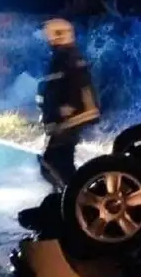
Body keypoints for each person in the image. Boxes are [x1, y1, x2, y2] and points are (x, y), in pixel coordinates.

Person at [37, 18, 101, 188]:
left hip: (70, 120)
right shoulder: (63, 57)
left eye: (50, 35)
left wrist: (62, 113)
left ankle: (74, 199)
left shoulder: (66, 58)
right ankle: (71, 198)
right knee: (59, 162)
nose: (48, 39)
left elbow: (75, 86)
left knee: (54, 163)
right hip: (68, 120)